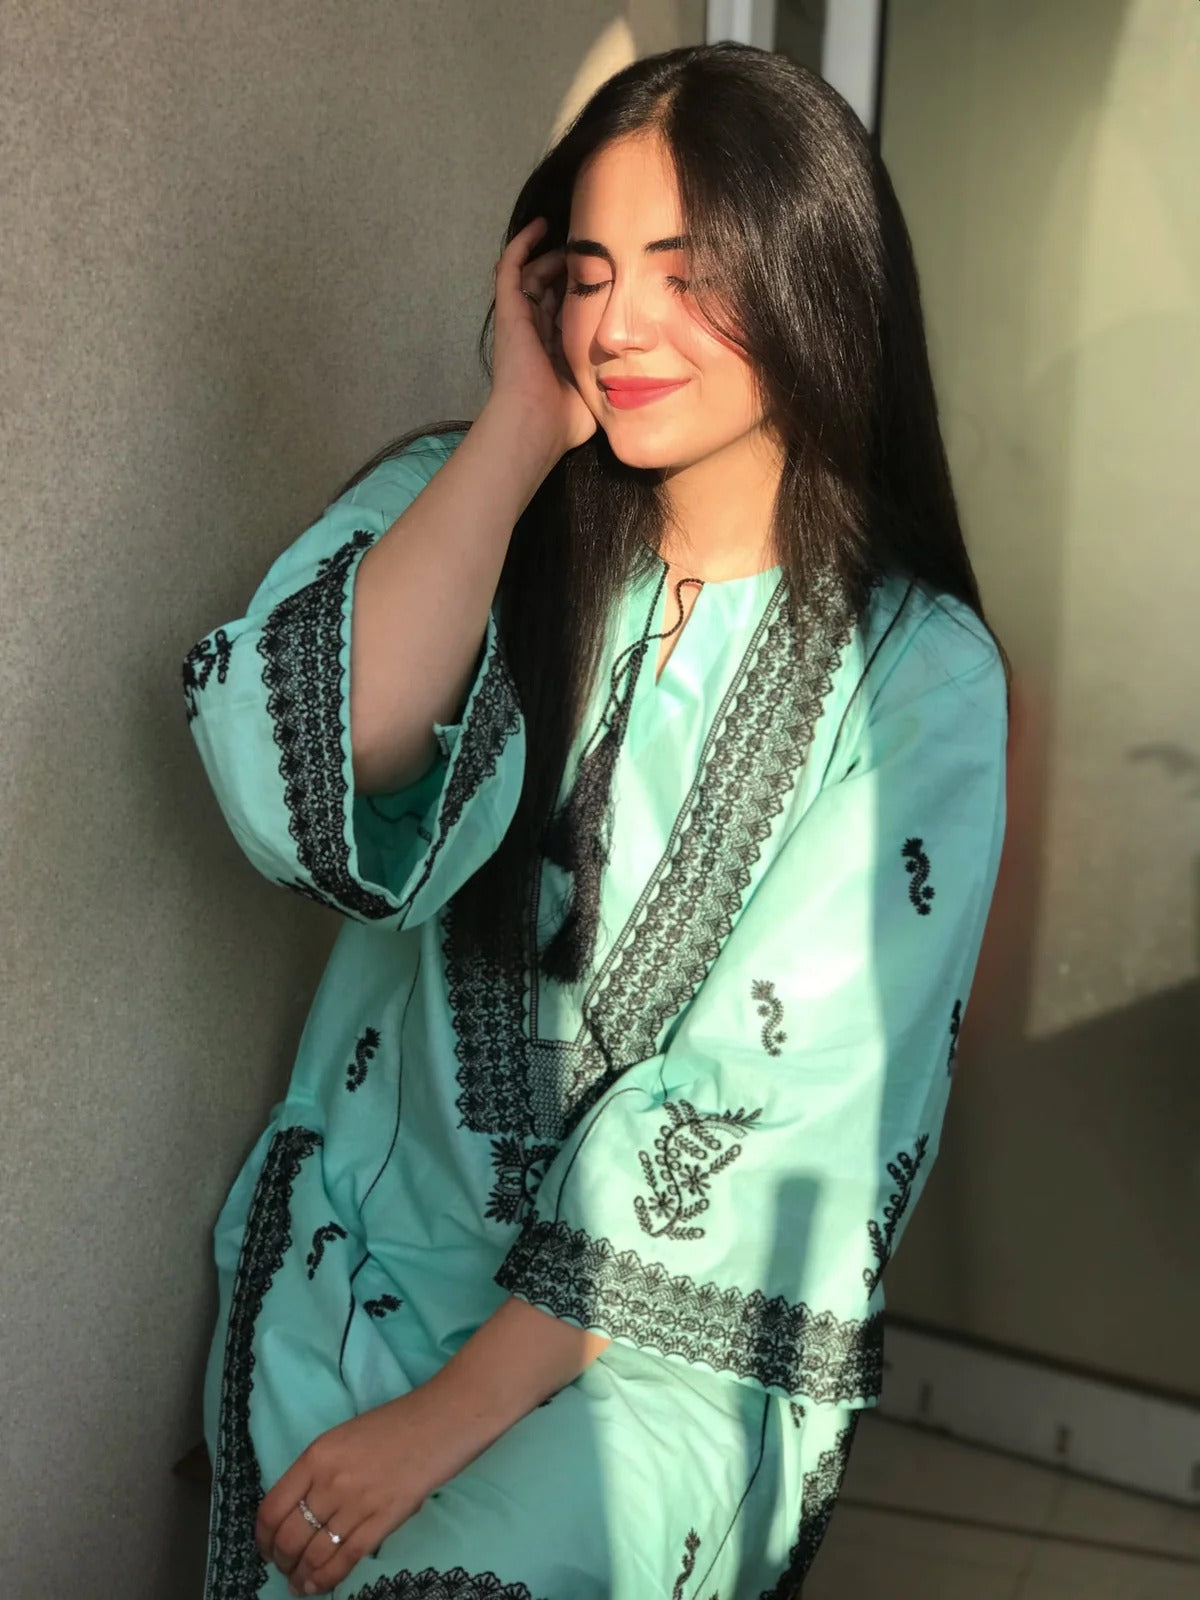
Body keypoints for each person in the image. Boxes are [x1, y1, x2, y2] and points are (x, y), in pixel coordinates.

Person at [182, 40, 1008, 1600]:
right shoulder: (474, 510)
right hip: (375, 1250)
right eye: (586, 273)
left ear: (813, 279)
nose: (619, 325)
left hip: (664, 1343)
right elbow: (311, 771)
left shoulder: (914, 673)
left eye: (687, 274)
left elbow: (772, 1105)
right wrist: (514, 431)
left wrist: (450, 1418)